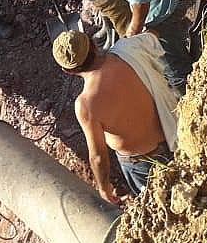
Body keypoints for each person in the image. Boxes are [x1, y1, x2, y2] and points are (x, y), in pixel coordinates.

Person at [53, 30, 179, 202]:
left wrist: (104, 188)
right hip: (175, 131)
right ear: (93, 45)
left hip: (144, 164)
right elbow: (154, 35)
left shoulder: (86, 105)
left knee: (164, 204)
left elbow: (98, 157)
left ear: (68, 71)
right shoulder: (128, 48)